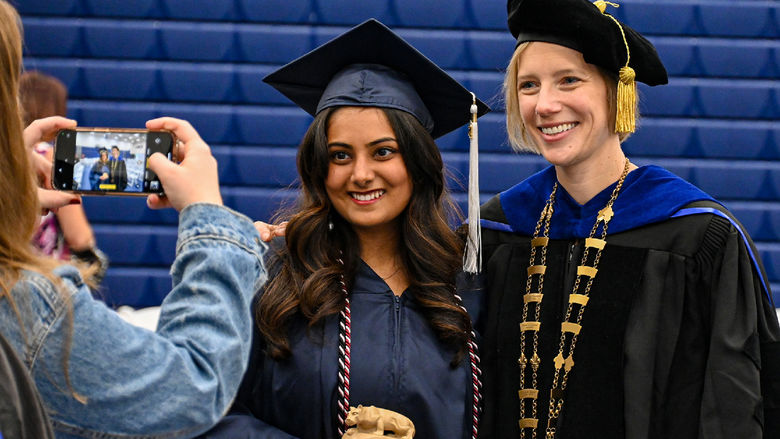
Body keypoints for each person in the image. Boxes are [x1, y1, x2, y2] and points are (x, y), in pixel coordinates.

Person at [477, 1, 780, 438]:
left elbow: (732, 403)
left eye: (568, 80)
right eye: (528, 85)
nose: (544, 105)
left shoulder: (695, 235)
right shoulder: (497, 231)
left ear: (616, 91)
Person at [200, 19, 489, 439]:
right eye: (340, 156)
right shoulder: (274, 277)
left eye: (383, 151)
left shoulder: (469, 284)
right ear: (319, 168)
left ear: (419, 163)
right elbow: (208, 412)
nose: (361, 174)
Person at [0, 1, 267, 437]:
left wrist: (8, 200)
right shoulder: (22, 305)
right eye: (9, 91)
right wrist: (210, 216)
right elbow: (193, 388)